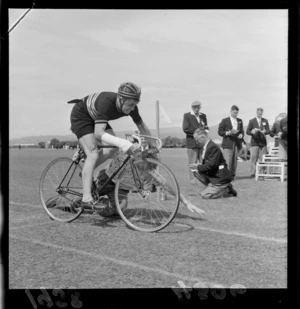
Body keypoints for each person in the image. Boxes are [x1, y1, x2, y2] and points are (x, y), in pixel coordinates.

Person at [68, 82, 157, 210]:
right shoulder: (106, 103)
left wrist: (153, 145)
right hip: (81, 115)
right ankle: (86, 199)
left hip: (95, 116)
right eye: (130, 104)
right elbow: (99, 133)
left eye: (135, 105)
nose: (132, 109)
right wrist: (124, 143)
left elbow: (141, 126)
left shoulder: (132, 107)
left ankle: (87, 171)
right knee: (93, 152)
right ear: (121, 99)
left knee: (112, 148)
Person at [93, 149, 205, 216]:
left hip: (121, 189)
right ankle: (79, 202)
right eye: (146, 166)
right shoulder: (126, 158)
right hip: (106, 179)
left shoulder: (150, 171)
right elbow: (108, 152)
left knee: (120, 208)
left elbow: (168, 186)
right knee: (89, 198)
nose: (148, 170)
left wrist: (186, 202)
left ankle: (100, 204)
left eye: (150, 167)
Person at [189, 128, 237, 199]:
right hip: (215, 175)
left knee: (205, 195)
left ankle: (226, 190)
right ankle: (215, 187)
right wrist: (198, 166)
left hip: (220, 178)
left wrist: (198, 167)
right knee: (196, 172)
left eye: (197, 140)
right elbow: (209, 163)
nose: (197, 142)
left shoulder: (212, 147)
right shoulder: (208, 146)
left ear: (203, 136)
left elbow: (212, 165)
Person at [182, 101, 209, 185]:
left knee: (202, 162)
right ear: (192, 107)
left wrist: (206, 131)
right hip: (192, 143)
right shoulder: (187, 115)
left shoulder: (203, 116)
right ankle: (192, 179)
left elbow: (206, 127)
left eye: (198, 107)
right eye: (195, 107)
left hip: (202, 143)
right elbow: (185, 129)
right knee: (192, 162)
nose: (197, 109)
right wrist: (197, 133)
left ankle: (203, 178)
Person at [218, 105, 244, 180]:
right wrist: (227, 133)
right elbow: (220, 131)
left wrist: (241, 135)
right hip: (227, 143)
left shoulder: (240, 120)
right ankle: (226, 176)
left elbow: (242, 131)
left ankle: (232, 176)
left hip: (236, 143)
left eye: (237, 113)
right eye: (234, 112)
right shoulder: (225, 120)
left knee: (234, 160)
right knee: (227, 160)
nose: (236, 114)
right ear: (231, 111)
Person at [246, 108, 270, 177]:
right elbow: (247, 131)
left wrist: (265, 132)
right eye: (259, 114)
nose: (260, 115)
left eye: (261, 114)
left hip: (263, 143)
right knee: (253, 158)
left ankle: (262, 173)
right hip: (254, 142)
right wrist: (252, 132)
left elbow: (269, 131)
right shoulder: (252, 121)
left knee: (263, 158)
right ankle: (253, 173)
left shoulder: (265, 120)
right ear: (256, 113)